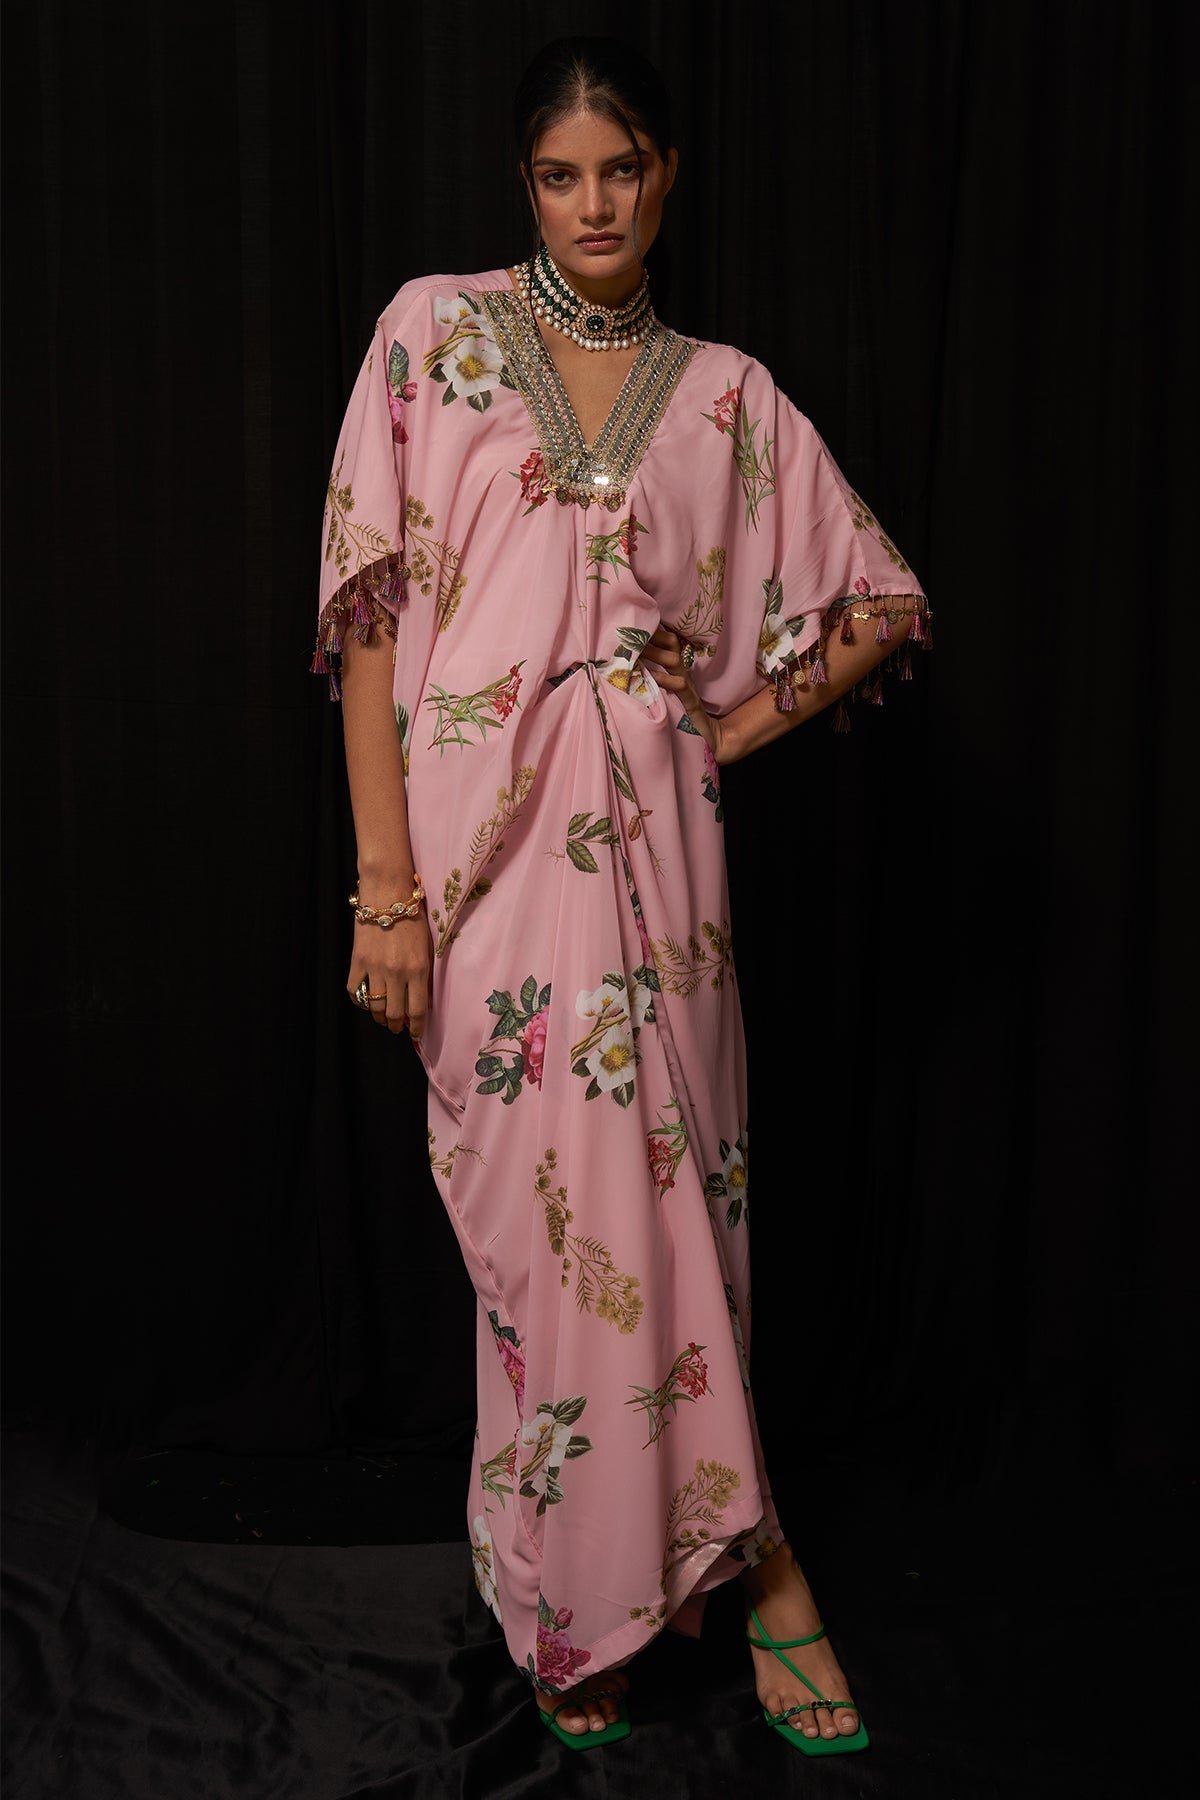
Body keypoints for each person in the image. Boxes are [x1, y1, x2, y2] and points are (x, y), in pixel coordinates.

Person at [313, 35, 928, 1756]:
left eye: (624, 172)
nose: (596, 205)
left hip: (659, 855)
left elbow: (877, 599)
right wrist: (382, 889)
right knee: (543, 1235)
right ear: (526, 184)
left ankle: (757, 1565)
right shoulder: (432, 336)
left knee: (679, 1216)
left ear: (665, 179)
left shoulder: (723, 395)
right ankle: (575, 1585)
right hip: (480, 865)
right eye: (561, 176)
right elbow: (370, 614)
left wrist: (712, 728)